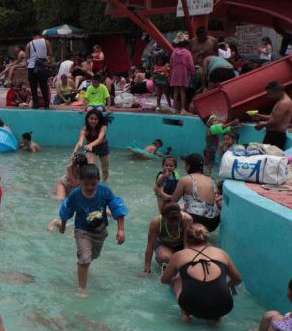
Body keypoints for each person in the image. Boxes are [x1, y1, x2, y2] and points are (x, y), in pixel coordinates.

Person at [56, 164, 128, 298]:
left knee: (93, 256)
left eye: (93, 184)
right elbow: (66, 209)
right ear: (80, 181)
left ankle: (84, 258)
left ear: (98, 181)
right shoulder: (75, 194)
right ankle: (82, 288)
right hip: (82, 230)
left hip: (100, 231)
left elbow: (117, 207)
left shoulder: (104, 191)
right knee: (85, 259)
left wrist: (121, 230)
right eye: (86, 184)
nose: (90, 188)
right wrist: (63, 225)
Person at [160, 223, 242, 322]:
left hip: (192, 307)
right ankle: (216, 320)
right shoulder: (221, 253)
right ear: (207, 237)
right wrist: (229, 286)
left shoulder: (179, 255)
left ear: (186, 238)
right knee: (218, 284)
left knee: (176, 279)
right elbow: (238, 279)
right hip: (224, 307)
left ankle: (185, 315)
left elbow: (164, 280)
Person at [171, 153, 220, 231]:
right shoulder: (211, 180)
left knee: (170, 210)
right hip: (213, 222)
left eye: (185, 164)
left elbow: (173, 202)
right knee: (184, 206)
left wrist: (160, 194)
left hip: (196, 220)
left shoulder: (185, 179)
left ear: (189, 166)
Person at [142, 202, 193, 275]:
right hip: (164, 245)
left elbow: (187, 244)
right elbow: (150, 246)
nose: (174, 224)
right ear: (163, 217)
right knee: (165, 258)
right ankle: (161, 259)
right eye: (171, 221)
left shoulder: (187, 219)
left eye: (177, 220)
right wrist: (147, 270)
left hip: (181, 244)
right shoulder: (156, 222)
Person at [73, 109, 111, 181]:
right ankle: (93, 183)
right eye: (91, 119)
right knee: (91, 168)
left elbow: (100, 139)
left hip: (103, 147)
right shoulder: (85, 129)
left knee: (105, 170)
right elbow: (80, 142)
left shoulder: (103, 127)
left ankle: (104, 183)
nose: (93, 121)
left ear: (99, 120)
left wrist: (91, 144)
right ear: (87, 119)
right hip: (90, 149)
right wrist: (75, 150)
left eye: (95, 119)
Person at [255, 81, 292, 149]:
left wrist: (262, 125)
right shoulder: (281, 101)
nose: (268, 96)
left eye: (270, 93)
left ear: (277, 92)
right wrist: (261, 116)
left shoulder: (283, 103)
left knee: (269, 157)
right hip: (274, 135)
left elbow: (275, 122)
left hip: (275, 137)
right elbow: (276, 117)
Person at [25, 29, 52, 110]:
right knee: (44, 86)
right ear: (40, 34)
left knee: (33, 87)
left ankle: (35, 104)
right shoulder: (46, 42)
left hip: (32, 67)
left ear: (32, 35)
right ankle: (46, 105)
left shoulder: (29, 44)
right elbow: (50, 54)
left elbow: (27, 57)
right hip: (42, 67)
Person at [169, 39, 194, 114]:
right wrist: (193, 73)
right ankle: (183, 109)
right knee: (182, 90)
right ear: (186, 45)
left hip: (174, 72)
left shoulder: (174, 51)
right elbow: (191, 64)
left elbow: (170, 62)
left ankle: (174, 108)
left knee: (176, 90)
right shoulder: (187, 52)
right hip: (183, 72)